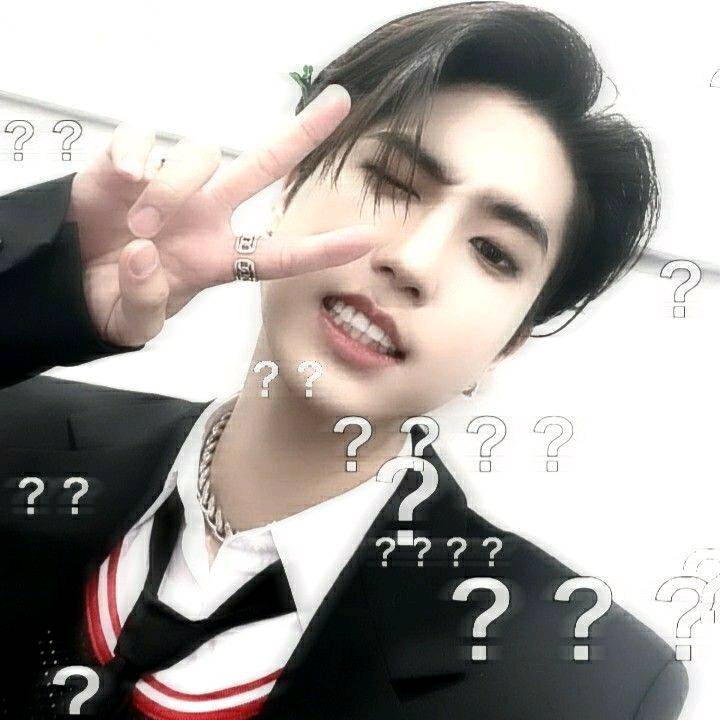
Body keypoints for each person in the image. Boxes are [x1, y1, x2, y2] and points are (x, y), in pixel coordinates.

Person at [0, 2, 689, 718]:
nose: (413, 262)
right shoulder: (14, 428)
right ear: (293, 185)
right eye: (393, 182)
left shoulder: (583, 682)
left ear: (511, 340)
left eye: (493, 252)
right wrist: (41, 291)